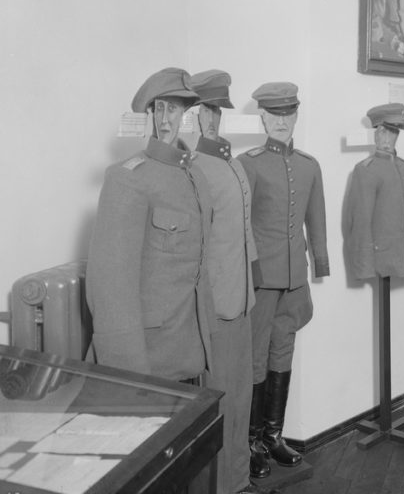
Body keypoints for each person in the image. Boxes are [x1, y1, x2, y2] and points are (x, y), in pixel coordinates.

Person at [86, 67, 214, 386]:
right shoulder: (128, 178)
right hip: (148, 359)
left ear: (186, 114)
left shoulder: (195, 175)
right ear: (149, 115)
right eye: (159, 108)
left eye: (174, 108)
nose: (166, 118)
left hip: (190, 348)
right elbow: (111, 288)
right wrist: (128, 372)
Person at [188, 70, 272, 494]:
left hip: (241, 302)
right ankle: (219, 487)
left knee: (240, 398)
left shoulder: (232, 164)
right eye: (207, 110)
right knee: (219, 402)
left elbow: (244, 232)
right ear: (195, 115)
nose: (213, 119)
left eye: (218, 110)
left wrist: (254, 281)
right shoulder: (195, 169)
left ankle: (238, 482)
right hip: (214, 308)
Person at [239, 82, 329, 473]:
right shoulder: (250, 163)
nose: (280, 121)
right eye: (272, 114)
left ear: (296, 115)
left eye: (287, 113)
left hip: (294, 279)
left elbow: (317, 219)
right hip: (261, 279)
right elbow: (241, 227)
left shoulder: (309, 165)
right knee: (256, 359)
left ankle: (273, 436)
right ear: (261, 117)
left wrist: (320, 262)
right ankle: (250, 444)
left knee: (282, 352)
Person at [344, 103, 404, 280]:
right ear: (376, 133)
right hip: (382, 258)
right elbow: (360, 224)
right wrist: (365, 267)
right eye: (382, 132)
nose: (387, 138)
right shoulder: (366, 170)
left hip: (403, 256)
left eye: (393, 132)